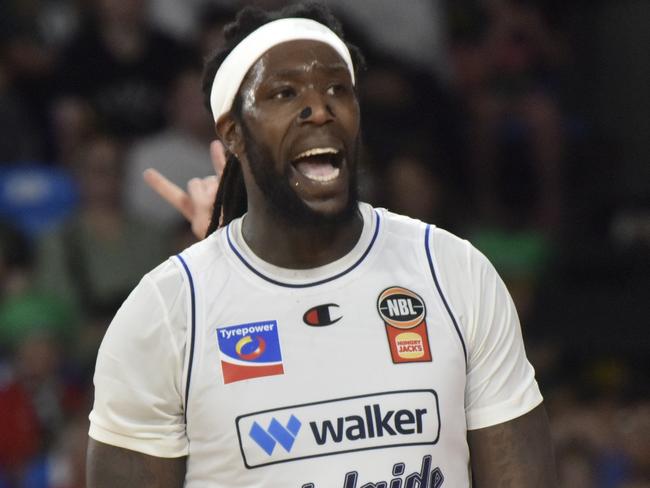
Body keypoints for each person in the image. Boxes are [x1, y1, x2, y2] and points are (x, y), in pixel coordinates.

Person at [86, 4, 557, 487]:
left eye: (337, 89)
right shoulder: (165, 312)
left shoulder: (455, 274)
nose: (319, 108)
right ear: (233, 134)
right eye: (285, 93)